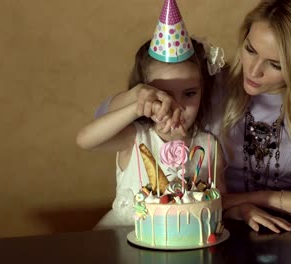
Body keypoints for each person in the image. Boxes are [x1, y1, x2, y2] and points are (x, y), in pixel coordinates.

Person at [93, 0, 291, 233]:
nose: (253, 71)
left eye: (274, 64)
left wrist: (255, 198)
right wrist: (138, 96)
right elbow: (104, 119)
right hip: (206, 231)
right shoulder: (210, 86)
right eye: (250, 49)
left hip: (279, 235)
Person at [76, 37, 226, 229]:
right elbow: (84, 140)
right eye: (164, 94)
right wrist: (136, 108)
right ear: (146, 92)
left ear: (203, 91)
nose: (177, 106)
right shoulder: (134, 137)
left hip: (186, 241)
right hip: (126, 238)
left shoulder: (208, 145)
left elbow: (219, 201)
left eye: (189, 93)